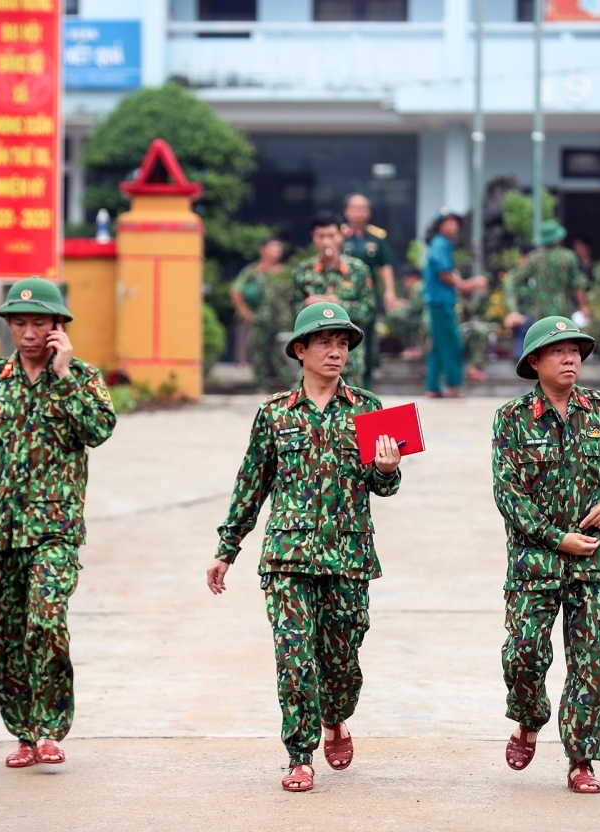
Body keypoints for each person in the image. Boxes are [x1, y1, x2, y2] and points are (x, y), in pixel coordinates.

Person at [207, 301, 403, 793]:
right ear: (300, 350)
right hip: (287, 558)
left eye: (342, 343)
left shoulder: (369, 409)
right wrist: (226, 549)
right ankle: (299, 754)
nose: (336, 352)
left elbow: (385, 487)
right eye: (325, 342)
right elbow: (250, 486)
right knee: (294, 657)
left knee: (341, 663)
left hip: (349, 557)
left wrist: (386, 469)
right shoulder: (274, 414)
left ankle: (335, 718)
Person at [0, 277, 118, 768]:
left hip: (54, 531)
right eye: (19, 322)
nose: (28, 332)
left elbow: (98, 430)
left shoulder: (82, 378)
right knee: (4, 638)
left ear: (57, 326)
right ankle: (25, 733)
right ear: (8, 325)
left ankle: (52, 728)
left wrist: (65, 372)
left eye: (38, 322)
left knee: (46, 620)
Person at [492, 315, 600, 795]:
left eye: (576, 350)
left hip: (593, 565)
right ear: (534, 361)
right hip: (536, 563)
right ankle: (529, 717)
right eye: (559, 351)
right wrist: (557, 539)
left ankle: (581, 759)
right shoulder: (512, 418)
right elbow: (507, 494)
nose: (570, 358)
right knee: (523, 655)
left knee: (590, 663)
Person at [291, 212, 375, 388]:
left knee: (353, 406)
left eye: (331, 235)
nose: (326, 242)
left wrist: (338, 306)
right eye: (320, 236)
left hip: (349, 354)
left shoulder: (358, 270)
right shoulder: (303, 271)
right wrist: (309, 306)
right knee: (310, 405)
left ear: (341, 236)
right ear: (313, 237)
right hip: (315, 353)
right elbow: (294, 311)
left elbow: (368, 309)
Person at [423, 208, 487, 398]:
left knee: (439, 345)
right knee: (452, 343)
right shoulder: (440, 244)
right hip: (440, 302)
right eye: (447, 222)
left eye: (454, 222)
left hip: (441, 302)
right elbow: (443, 273)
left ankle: (432, 386)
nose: (452, 226)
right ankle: (452, 385)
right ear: (439, 226)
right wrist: (468, 284)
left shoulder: (443, 245)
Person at [342, 193, 398, 387]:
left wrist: (389, 291)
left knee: (366, 340)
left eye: (362, 208)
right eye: (354, 208)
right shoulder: (339, 237)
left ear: (368, 212)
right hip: (343, 298)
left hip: (367, 299)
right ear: (346, 211)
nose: (358, 212)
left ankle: (364, 387)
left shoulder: (377, 238)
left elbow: (386, 266)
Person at [504, 220, 590, 338]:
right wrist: (582, 306)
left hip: (540, 312)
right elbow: (577, 284)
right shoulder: (568, 257)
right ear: (558, 238)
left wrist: (513, 309)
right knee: (562, 340)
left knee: (542, 342)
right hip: (563, 310)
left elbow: (512, 280)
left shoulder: (534, 258)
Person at [230, 237, 287, 390]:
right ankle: (261, 387)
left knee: (282, 355)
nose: (278, 251)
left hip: (281, 320)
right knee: (259, 354)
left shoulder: (283, 272)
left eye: (279, 248)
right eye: (274, 247)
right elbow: (236, 291)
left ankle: (290, 387)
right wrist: (245, 312)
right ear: (263, 250)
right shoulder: (253, 271)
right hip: (259, 319)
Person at [384, 264, 428, 359]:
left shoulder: (419, 287)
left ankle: (410, 348)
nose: (405, 285)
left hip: (424, 321)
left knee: (395, 316)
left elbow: (414, 309)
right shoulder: (423, 287)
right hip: (424, 319)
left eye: (406, 281)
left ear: (413, 278)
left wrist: (398, 305)